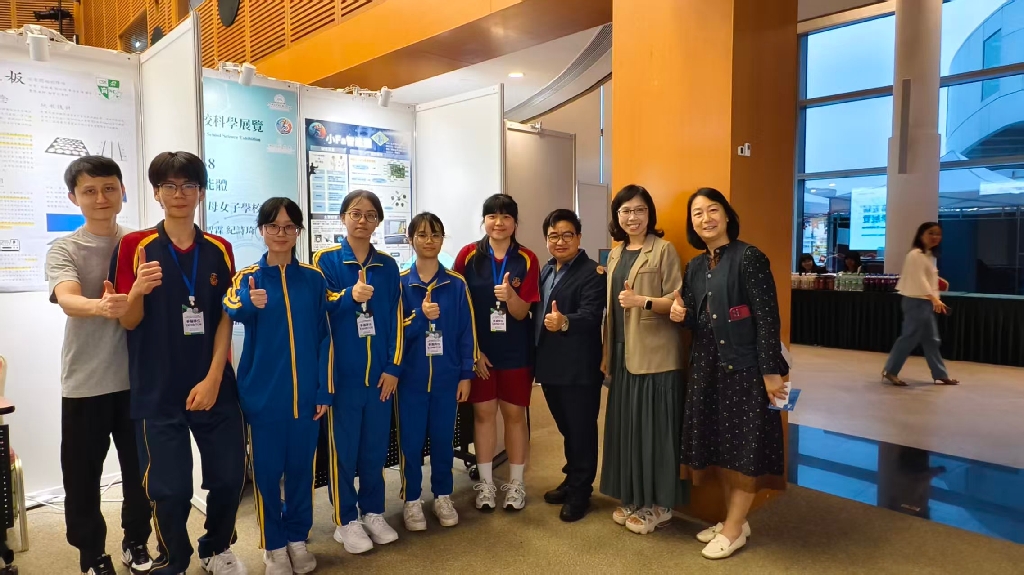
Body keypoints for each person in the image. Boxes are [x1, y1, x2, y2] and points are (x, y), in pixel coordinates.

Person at [109, 151, 246, 575]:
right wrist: (136, 292)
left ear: (201, 192)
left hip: (213, 383)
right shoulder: (135, 246)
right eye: (169, 186)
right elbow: (129, 320)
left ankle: (216, 547)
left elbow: (225, 316)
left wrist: (214, 376)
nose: (179, 193)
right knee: (169, 489)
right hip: (157, 386)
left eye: (189, 185)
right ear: (156, 193)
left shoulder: (220, 249)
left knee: (229, 477)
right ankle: (176, 559)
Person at [46, 156, 152, 575]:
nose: (101, 198)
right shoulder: (65, 248)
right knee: (82, 478)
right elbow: (67, 298)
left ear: (123, 191)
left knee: (140, 473)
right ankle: (91, 554)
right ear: (74, 198)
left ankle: (136, 542)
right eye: (89, 191)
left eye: (109, 188)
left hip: (138, 382)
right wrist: (101, 306)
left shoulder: (141, 243)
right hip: (86, 382)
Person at [670, 187, 788, 560]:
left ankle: (734, 529)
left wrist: (770, 372)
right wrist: (679, 313)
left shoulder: (749, 258)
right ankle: (733, 521)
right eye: (698, 213)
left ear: (726, 215)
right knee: (720, 446)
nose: (706, 218)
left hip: (745, 369)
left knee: (744, 448)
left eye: (713, 210)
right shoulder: (694, 266)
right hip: (706, 368)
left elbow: (768, 319)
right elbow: (692, 315)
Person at [223, 198, 333, 574]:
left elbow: (324, 336)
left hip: (306, 398)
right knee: (267, 476)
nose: (281, 233)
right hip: (263, 397)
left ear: (298, 231)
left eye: (289, 226)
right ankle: (273, 546)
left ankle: (297, 538)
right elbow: (231, 307)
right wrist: (249, 303)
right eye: (273, 226)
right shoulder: (248, 277)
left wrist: (323, 390)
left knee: (301, 471)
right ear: (262, 230)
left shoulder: (313, 279)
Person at [313, 190, 403, 554]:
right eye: (355, 213)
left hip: (380, 377)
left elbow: (396, 319)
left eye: (370, 215)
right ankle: (345, 519)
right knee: (343, 452)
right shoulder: (326, 260)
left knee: (374, 449)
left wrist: (394, 367)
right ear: (343, 218)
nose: (362, 220)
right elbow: (320, 306)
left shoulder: (388, 266)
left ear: (378, 221)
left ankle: (373, 512)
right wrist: (349, 295)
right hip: (343, 376)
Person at [599, 184, 686, 535]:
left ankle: (660, 505)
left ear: (649, 213)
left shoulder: (664, 250)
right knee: (630, 429)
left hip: (656, 355)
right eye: (625, 211)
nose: (632, 217)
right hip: (622, 352)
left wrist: (642, 301)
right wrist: (607, 353)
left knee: (655, 432)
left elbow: (677, 302)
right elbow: (610, 310)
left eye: (639, 210)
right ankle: (635, 496)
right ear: (616, 216)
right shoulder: (615, 254)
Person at [454, 194, 540, 511]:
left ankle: (516, 484)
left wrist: (511, 295)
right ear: (484, 220)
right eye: (492, 216)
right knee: (483, 415)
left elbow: (521, 312)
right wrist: (473, 351)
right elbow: (459, 308)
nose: (498, 222)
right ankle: (486, 484)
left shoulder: (527, 258)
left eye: (505, 217)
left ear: (515, 222)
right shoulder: (467, 256)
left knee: (515, 416)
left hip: (516, 351)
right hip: (480, 354)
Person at [397, 212, 477, 531]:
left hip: (447, 378)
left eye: (435, 235)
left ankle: (443, 495)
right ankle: (412, 499)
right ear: (410, 239)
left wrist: (466, 373)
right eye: (422, 235)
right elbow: (395, 332)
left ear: (443, 240)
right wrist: (419, 316)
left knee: (444, 440)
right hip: (411, 379)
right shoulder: (400, 282)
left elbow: (467, 332)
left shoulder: (456, 283)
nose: (429, 241)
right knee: (411, 443)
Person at [533, 209, 607, 522]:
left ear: (578, 237)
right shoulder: (547, 269)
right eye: (554, 235)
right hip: (550, 365)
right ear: (546, 239)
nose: (560, 241)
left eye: (567, 235)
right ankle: (571, 477)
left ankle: (581, 492)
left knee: (581, 430)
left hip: (579, 367)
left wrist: (565, 321)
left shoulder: (592, 272)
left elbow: (591, 315)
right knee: (566, 428)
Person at [881, 222, 959, 387]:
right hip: (915, 301)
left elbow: (930, 281)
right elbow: (920, 279)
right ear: (921, 235)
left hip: (925, 301)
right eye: (931, 233)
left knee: (932, 340)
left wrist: (936, 299)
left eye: (938, 234)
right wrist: (934, 299)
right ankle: (890, 371)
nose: (935, 237)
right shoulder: (915, 254)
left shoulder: (929, 255)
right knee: (909, 337)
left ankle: (940, 374)